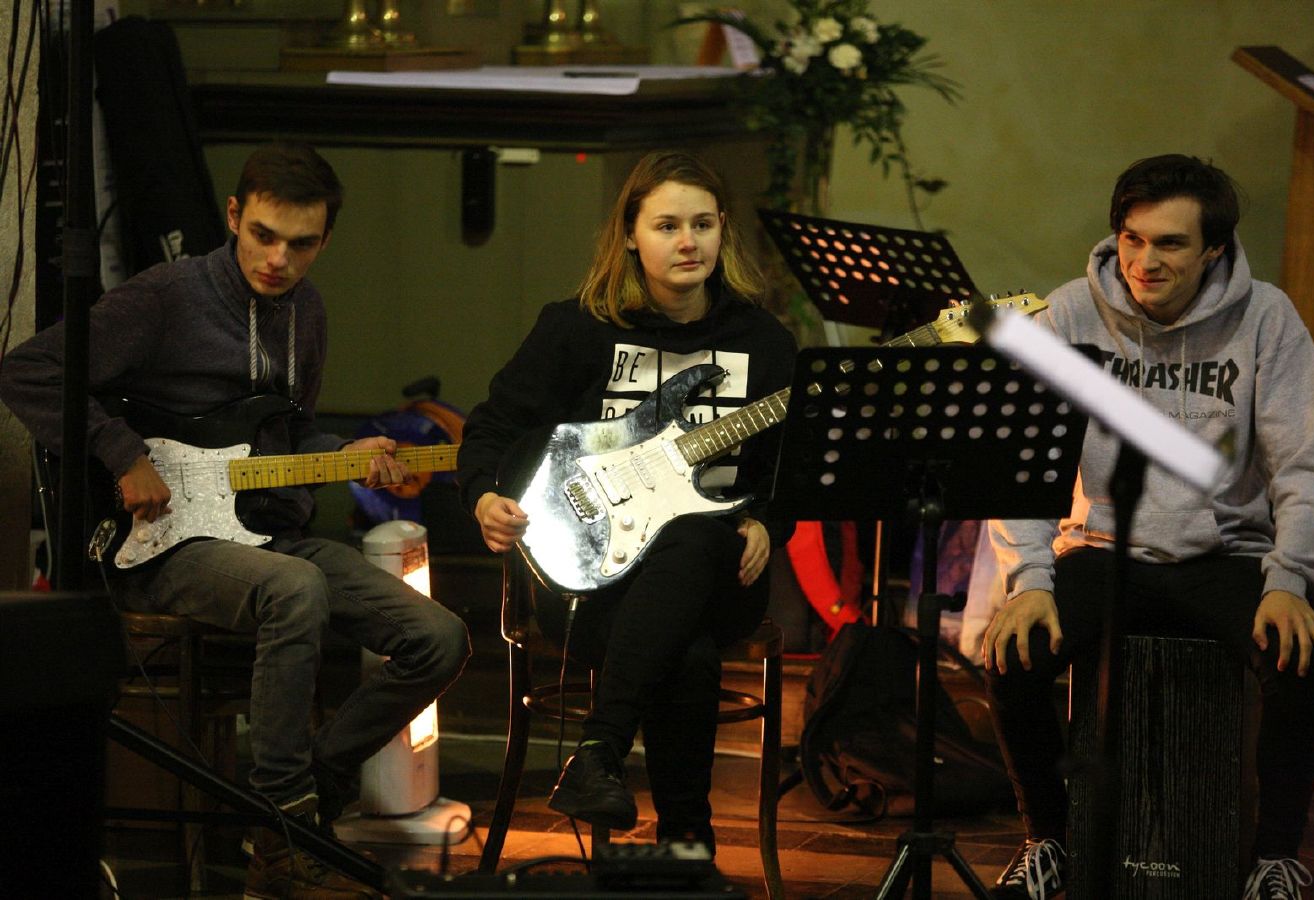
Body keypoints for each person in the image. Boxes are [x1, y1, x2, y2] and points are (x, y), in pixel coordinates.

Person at [0, 142, 470, 899]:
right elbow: (28, 370)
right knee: (294, 589)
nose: (279, 260)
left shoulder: (307, 313)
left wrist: (345, 456)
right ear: (232, 216)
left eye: (302, 244)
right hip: (160, 541)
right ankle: (286, 829)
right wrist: (123, 455)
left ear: (325, 241)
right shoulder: (167, 296)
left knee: (439, 638)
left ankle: (292, 811)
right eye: (263, 235)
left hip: (266, 531)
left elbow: (288, 439)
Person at [981, 154, 1314, 900]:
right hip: (1100, 547)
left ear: (1214, 250)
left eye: (1171, 243)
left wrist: (1291, 580)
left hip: (1225, 553)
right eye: (1132, 239)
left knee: (1300, 659)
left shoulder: (1267, 317)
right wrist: (1030, 579)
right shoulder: (1069, 314)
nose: (1145, 261)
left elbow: (1306, 468)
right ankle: (1047, 840)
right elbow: (1019, 466)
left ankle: (1274, 858)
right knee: (1011, 655)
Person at [456, 149, 797, 852]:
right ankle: (685, 845)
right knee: (688, 658)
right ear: (632, 236)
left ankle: (600, 753)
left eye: (703, 224)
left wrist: (770, 520)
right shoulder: (576, 329)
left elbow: (793, 467)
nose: (688, 241)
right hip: (588, 579)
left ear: (722, 230)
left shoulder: (761, 342)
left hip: (721, 576)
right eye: (667, 225)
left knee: (697, 532)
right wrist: (483, 496)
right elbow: (492, 427)